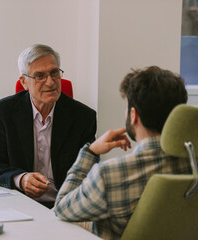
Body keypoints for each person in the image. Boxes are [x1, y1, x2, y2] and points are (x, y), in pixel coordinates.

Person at [54, 66, 191, 239]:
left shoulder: (109, 175)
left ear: (133, 115)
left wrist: (90, 152)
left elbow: (61, 208)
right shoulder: (192, 164)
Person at [0, 44, 97, 209]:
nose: (50, 82)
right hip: (19, 204)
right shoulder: (3, 113)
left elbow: (89, 170)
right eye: (40, 76)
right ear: (24, 82)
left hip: (65, 206)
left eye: (54, 73)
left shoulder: (83, 117)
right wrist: (21, 179)